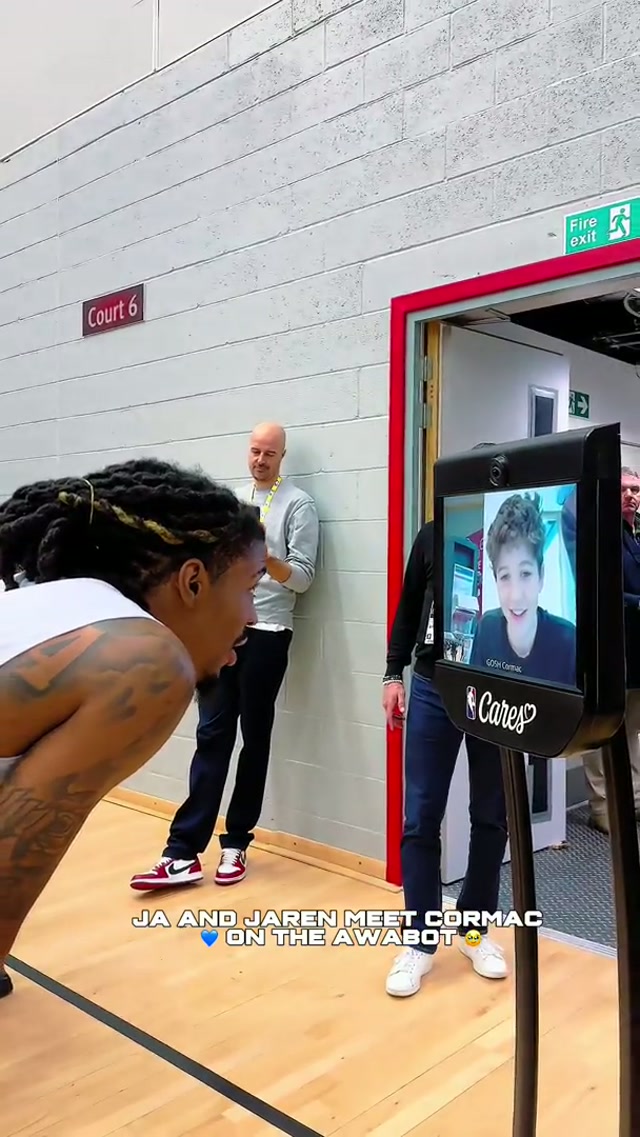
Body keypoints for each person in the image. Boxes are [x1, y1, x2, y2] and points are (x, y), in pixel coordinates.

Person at [0, 458, 266, 1000]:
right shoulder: (148, 666)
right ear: (193, 581)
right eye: (249, 589)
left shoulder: (59, 605)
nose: (254, 616)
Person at [130, 422, 319, 891]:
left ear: (282, 456)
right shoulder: (228, 502)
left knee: (254, 739)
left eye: (269, 454)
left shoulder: (299, 504)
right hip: (224, 635)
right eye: (255, 451)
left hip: (270, 633)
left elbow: (304, 578)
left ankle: (235, 843)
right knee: (212, 733)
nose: (260, 460)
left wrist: (265, 554)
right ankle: (183, 852)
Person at [382, 506, 508, 998]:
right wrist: (394, 674)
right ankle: (419, 939)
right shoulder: (434, 535)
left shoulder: (512, 540)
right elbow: (409, 606)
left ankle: (475, 932)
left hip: (497, 690)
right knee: (420, 818)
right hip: (435, 686)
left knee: (492, 815)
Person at [562, 468, 640, 832]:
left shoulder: (634, 532)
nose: (631, 496)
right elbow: (597, 586)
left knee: (633, 728)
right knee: (605, 727)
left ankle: (634, 799)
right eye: (624, 489)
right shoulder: (599, 531)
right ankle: (603, 808)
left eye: (635, 490)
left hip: (636, 647)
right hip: (608, 646)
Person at [470, 491, 575, 687]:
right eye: (505, 577)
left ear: (541, 576)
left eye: (525, 574)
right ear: (495, 580)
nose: (516, 596)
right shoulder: (485, 631)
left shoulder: (568, 641)